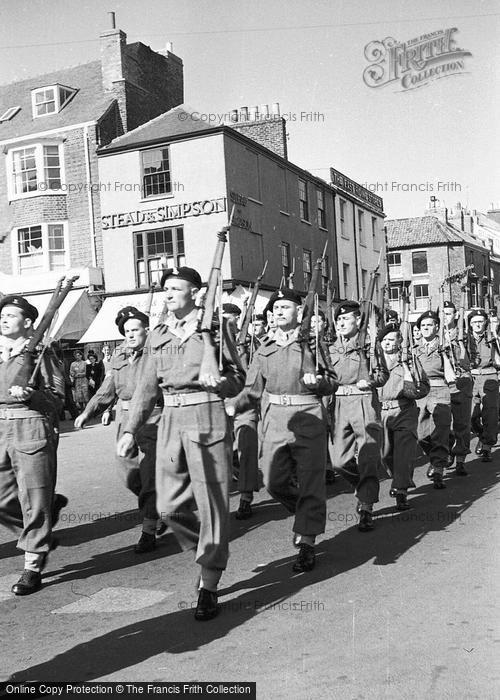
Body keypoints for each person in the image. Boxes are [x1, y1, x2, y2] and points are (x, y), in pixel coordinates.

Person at [116, 267, 245, 621]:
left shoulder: (215, 332)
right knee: (170, 505)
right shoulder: (157, 335)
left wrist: (218, 382)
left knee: (212, 505)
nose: (169, 293)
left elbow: (238, 379)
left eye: (176, 288)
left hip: (207, 418)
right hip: (170, 421)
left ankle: (209, 582)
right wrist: (130, 430)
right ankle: (206, 551)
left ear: (195, 294)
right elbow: (145, 389)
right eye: (166, 289)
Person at [232, 288, 335, 573]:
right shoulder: (264, 347)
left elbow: (332, 382)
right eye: (275, 309)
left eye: (286, 307)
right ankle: (305, 514)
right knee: (273, 481)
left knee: (311, 480)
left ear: (299, 313)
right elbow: (252, 389)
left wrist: (319, 383)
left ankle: (307, 542)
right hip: (275, 418)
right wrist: (232, 405)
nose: (278, 312)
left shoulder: (313, 344)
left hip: (308, 416)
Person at [75, 307, 163, 553]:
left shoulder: (157, 352)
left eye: (135, 330)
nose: (131, 335)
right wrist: (88, 411)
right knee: (127, 474)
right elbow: (108, 387)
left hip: (154, 417)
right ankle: (157, 510)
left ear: (147, 330)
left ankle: (148, 529)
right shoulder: (119, 356)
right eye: (127, 331)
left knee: (149, 476)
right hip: (124, 418)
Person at [0, 295, 66, 595]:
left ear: (28, 323)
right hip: (0, 427)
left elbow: (57, 398)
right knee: (4, 499)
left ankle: (32, 565)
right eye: (2, 315)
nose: (3, 319)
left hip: (31, 425)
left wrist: (32, 395)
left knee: (34, 496)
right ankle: (46, 512)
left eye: (11, 315)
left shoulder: (41, 352)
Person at [328, 301, 389, 531]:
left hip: (364, 403)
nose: (341, 323)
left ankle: (366, 506)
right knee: (339, 461)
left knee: (368, 458)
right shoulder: (330, 348)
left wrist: (370, 381)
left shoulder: (371, 346)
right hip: (338, 405)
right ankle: (361, 486)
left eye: (347, 318)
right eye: (339, 319)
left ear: (358, 321)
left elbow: (383, 375)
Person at [378, 325, 429, 509]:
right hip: (381, 411)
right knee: (385, 454)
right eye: (384, 340)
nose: (387, 343)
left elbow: (424, 385)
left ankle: (401, 491)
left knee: (404, 453)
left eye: (391, 339)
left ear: (400, 341)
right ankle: (398, 478)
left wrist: (413, 388)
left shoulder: (409, 360)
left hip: (405, 410)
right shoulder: (374, 361)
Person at [414, 311, 452, 488]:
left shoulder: (446, 347)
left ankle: (438, 469)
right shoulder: (414, 350)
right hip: (421, 392)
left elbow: (454, 371)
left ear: (437, 327)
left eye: (430, 325)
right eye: (423, 326)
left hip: (440, 390)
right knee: (421, 436)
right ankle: (437, 456)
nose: (426, 328)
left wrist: (446, 354)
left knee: (439, 432)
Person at [442, 300, 472, 475]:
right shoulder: (435, 334)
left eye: (449, 313)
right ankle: (447, 445)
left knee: (462, 422)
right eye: (443, 313)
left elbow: (469, 361)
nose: (446, 317)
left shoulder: (465, 335)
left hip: (461, 381)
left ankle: (460, 459)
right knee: (441, 423)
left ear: (456, 315)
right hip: (443, 384)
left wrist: (459, 342)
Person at [468, 308, 500, 462]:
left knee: (491, 414)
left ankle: (487, 445)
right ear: (470, 324)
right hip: (471, 379)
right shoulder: (465, 340)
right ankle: (481, 435)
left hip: (489, 376)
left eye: (480, 321)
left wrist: (495, 338)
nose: (477, 325)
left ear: (485, 323)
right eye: (474, 322)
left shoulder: (492, 338)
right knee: (471, 415)